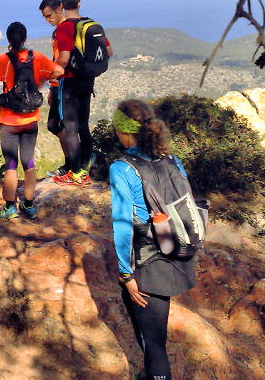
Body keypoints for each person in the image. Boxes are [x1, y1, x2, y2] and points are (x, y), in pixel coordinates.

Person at [110, 99, 196, 380]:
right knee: (153, 335)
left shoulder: (122, 168)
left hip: (146, 263)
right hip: (178, 251)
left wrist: (126, 274)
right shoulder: (173, 160)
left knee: (155, 344)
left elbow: (122, 225)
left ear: (124, 132)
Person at [0, 22, 64, 220]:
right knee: (28, 161)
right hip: (30, 120)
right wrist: (42, 81)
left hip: (9, 121)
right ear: (26, 38)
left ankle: (10, 207)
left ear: (8, 39)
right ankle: (28, 205)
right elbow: (60, 72)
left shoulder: (3, 59)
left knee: (11, 164)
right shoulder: (36, 57)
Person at [51, 0, 113, 186]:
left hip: (70, 83)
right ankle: (84, 169)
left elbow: (64, 59)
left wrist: (47, 75)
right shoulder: (92, 24)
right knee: (84, 125)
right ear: (79, 3)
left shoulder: (64, 28)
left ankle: (75, 173)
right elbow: (109, 52)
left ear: (61, 5)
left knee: (70, 129)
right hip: (88, 80)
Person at [38, 0, 70, 178]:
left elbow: (61, 62)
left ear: (60, 8)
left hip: (65, 84)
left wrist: (46, 79)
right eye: (44, 16)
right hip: (58, 85)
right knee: (56, 125)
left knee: (58, 125)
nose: (47, 19)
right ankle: (71, 163)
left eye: (49, 15)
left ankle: (73, 163)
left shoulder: (66, 30)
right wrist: (52, 87)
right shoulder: (59, 30)